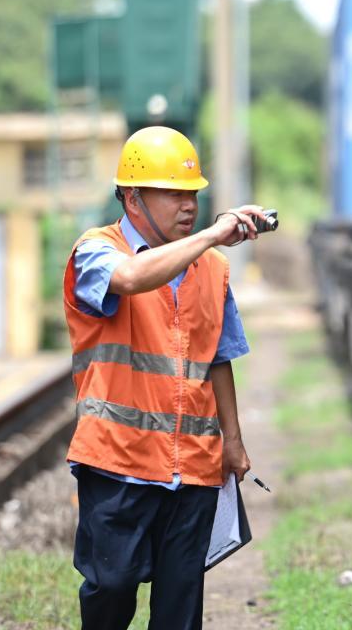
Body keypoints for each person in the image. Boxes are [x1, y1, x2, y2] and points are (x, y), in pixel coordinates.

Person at [62, 126, 269, 630]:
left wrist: (234, 443)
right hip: (118, 461)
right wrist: (212, 235)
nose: (188, 205)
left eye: (193, 194)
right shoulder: (94, 251)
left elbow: (219, 356)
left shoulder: (212, 269)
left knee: (180, 608)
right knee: (110, 589)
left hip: (193, 467)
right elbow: (132, 279)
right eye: (173, 193)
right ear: (133, 198)